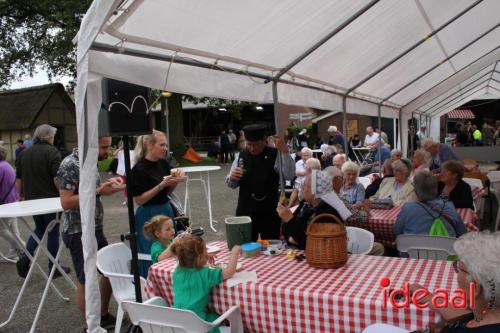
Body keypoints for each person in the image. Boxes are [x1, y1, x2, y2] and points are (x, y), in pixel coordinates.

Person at [365, 231, 500, 333]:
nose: (456, 275)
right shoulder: (487, 313)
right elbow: (466, 316)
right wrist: (428, 297)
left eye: (458, 269)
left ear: (475, 287)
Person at [58, 136, 123, 330]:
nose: (107, 152)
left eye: (108, 146)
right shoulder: (70, 164)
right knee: (86, 279)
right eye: (103, 147)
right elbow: (66, 202)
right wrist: (98, 192)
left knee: (110, 270)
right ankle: (90, 325)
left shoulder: (90, 162)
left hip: (94, 228)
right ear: (90, 143)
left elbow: (93, 192)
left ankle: (101, 314)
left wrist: (108, 188)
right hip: (78, 231)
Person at [15, 124, 70, 278]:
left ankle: (26, 257)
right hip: (50, 200)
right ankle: (54, 267)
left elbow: (18, 179)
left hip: (31, 200)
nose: (54, 139)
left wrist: (20, 196)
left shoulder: (24, 154)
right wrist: (65, 193)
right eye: (53, 136)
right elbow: (56, 179)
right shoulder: (52, 152)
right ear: (48, 137)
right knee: (53, 232)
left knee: (39, 228)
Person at [131, 130, 186, 277]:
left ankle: (169, 281)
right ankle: (150, 283)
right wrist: (161, 185)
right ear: (150, 145)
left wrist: (175, 182)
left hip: (165, 209)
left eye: (166, 145)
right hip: (148, 214)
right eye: (162, 145)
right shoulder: (139, 169)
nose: (165, 148)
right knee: (153, 251)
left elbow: (165, 193)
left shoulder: (163, 163)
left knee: (169, 247)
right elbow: (139, 200)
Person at [226, 124, 295, 240]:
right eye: (249, 144)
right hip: (245, 210)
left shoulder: (275, 154)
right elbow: (231, 184)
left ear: (264, 140)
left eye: (256, 144)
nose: (252, 148)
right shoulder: (241, 156)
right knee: (245, 246)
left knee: (271, 248)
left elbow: (289, 175)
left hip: (269, 211)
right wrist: (232, 178)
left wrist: (284, 152)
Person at [170, 234, 241, 333]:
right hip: (199, 324)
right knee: (222, 317)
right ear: (199, 257)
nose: (207, 253)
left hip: (177, 321)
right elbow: (230, 272)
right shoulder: (205, 274)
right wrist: (234, 252)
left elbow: (190, 261)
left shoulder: (177, 271)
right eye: (205, 252)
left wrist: (205, 257)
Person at [394, 171, 465, 237]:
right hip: (445, 249)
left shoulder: (407, 208)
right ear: (436, 188)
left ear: (416, 191)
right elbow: (461, 233)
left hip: (414, 250)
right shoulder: (449, 206)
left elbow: (397, 231)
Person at [0, 145, 24, 262]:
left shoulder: (0, 167)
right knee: (13, 229)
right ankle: (13, 253)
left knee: (1, 229)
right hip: (12, 201)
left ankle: (22, 247)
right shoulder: (7, 165)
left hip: (5, 203)